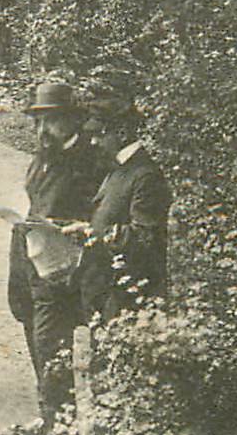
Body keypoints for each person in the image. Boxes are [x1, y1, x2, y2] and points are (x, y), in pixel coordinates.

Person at [7, 82, 110, 434]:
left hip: (63, 267)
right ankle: (49, 415)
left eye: (49, 121)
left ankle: (63, 425)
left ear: (70, 121)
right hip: (30, 259)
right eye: (37, 122)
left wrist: (65, 228)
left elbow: (96, 214)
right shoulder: (42, 157)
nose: (42, 130)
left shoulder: (92, 161)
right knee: (37, 338)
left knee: (54, 343)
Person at [72, 98, 171, 324]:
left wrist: (95, 234)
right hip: (109, 291)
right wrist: (86, 228)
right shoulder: (119, 168)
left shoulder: (145, 175)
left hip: (129, 295)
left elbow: (146, 236)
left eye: (100, 134)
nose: (94, 141)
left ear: (123, 133)